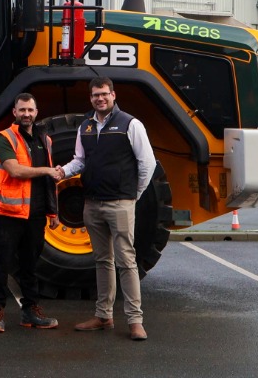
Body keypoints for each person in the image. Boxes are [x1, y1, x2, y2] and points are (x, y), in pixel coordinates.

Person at [58, 78, 155, 341]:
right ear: (90, 98)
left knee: (126, 261)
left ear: (113, 94)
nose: (99, 99)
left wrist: (134, 194)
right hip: (92, 204)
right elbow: (79, 161)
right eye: (95, 95)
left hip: (120, 203)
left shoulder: (130, 124)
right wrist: (62, 172)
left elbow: (147, 162)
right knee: (102, 261)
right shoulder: (86, 126)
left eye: (104, 94)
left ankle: (135, 321)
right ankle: (104, 315)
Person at [0, 93, 62, 333]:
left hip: (35, 213)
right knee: (0, 264)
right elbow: (15, 170)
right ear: (14, 113)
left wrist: (54, 212)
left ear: (36, 112)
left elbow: (48, 183)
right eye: (22, 110)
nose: (26, 114)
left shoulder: (45, 139)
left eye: (30, 110)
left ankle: (31, 311)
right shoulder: (4, 138)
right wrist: (48, 170)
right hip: (8, 213)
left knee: (30, 265)